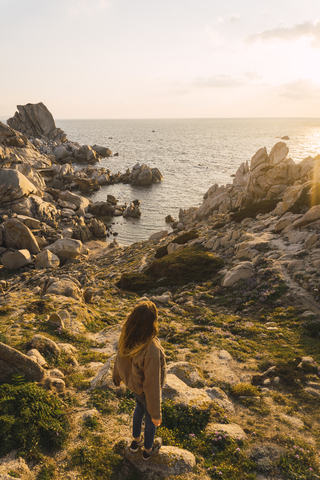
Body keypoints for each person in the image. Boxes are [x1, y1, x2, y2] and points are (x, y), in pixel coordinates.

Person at [112, 300, 167, 460]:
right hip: (144, 391)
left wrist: (116, 378)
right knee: (150, 418)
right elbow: (152, 385)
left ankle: (136, 441)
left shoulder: (127, 336)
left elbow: (118, 359)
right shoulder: (151, 349)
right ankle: (148, 450)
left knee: (139, 408)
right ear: (152, 323)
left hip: (135, 388)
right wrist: (156, 413)